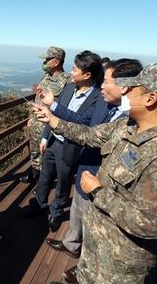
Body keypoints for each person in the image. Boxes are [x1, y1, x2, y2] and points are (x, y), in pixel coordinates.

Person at [34, 63, 157, 283]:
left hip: (120, 264)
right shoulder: (129, 126)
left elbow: (151, 224)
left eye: (131, 87)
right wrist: (52, 120)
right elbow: (90, 135)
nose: (124, 91)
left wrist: (97, 190)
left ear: (150, 99)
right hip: (96, 248)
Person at [40, 59, 143, 282]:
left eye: (106, 82)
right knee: (78, 212)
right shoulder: (105, 104)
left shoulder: (135, 121)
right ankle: (71, 245)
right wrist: (52, 118)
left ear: (124, 86)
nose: (102, 86)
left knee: (95, 228)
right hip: (87, 169)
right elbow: (87, 129)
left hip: (107, 187)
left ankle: (83, 266)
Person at [24, 50, 103, 234]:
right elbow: (52, 116)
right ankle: (39, 203)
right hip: (53, 140)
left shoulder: (97, 97)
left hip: (71, 146)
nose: (72, 71)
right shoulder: (69, 88)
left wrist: (53, 105)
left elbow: (81, 122)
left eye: (75, 69)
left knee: (63, 181)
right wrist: (45, 136)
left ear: (87, 74)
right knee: (45, 174)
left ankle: (56, 212)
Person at [25, 46, 70, 183]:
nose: (44, 62)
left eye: (47, 59)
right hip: (36, 122)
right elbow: (37, 99)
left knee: (46, 154)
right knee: (34, 150)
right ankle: (34, 174)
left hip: (49, 125)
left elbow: (64, 106)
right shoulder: (46, 76)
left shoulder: (66, 81)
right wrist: (30, 118)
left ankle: (44, 182)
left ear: (56, 62)